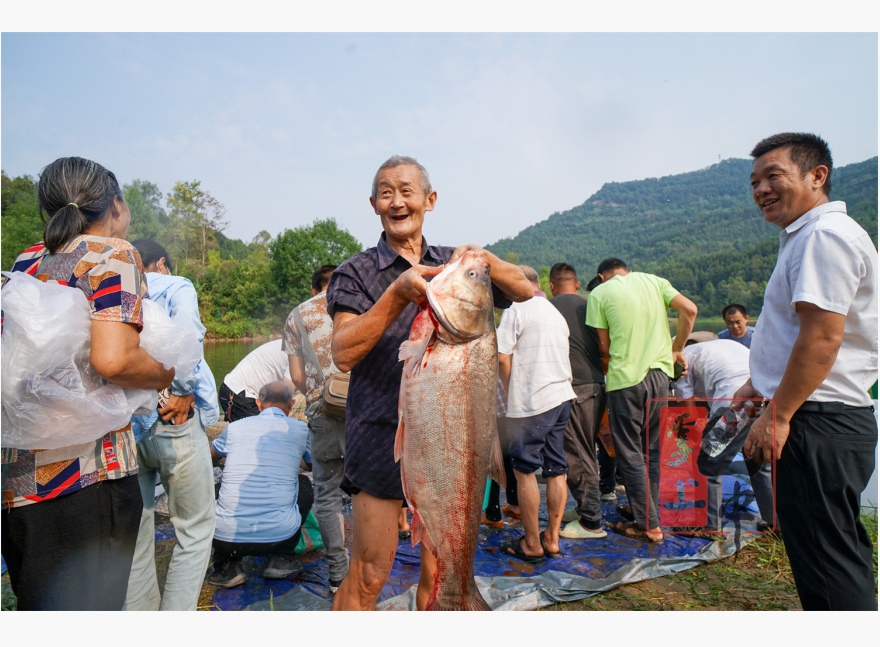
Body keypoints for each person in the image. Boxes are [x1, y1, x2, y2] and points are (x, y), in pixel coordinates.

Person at [326, 155, 533, 610]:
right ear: (374, 205)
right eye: (386, 192)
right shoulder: (355, 272)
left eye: (407, 191)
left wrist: (483, 261)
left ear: (429, 200)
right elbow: (342, 352)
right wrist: (396, 293)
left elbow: (524, 288)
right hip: (379, 434)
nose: (397, 201)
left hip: (449, 442)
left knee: (440, 572)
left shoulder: (450, 265)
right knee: (369, 573)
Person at [0, 156, 174, 610]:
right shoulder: (115, 253)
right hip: (86, 478)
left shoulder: (27, 260)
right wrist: (164, 373)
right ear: (115, 205)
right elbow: (113, 359)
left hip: (19, 482)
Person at [735, 133, 877, 611]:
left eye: (773, 176)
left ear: (817, 176)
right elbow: (801, 332)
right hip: (819, 413)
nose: (761, 189)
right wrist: (759, 382)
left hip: (818, 419)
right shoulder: (807, 235)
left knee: (827, 564)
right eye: (754, 181)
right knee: (829, 552)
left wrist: (778, 415)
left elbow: (822, 339)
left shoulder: (823, 235)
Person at [124, 240, 218, 611]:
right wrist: (181, 390)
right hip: (170, 417)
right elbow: (188, 337)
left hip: (126, 427)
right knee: (194, 531)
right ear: (160, 262)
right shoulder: (175, 284)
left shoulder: (111, 285)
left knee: (136, 536)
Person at [587, 258, 698, 543]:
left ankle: (647, 524)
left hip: (625, 380)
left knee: (629, 453)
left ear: (602, 276)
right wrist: (677, 349)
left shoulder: (599, 293)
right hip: (660, 379)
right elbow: (690, 309)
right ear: (629, 271)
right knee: (652, 450)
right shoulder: (654, 280)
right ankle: (649, 514)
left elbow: (604, 347)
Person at [496, 265, 577, 563]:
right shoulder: (554, 312)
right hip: (561, 396)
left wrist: (509, 392)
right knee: (557, 469)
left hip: (531, 402)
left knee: (525, 471)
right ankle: (552, 539)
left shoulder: (518, 308)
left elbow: (503, 357)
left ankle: (531, 543)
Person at [282, 263, 349, 593]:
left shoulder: (296, 316)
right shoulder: (360, 301)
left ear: (314, 289)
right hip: (362, 411)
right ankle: (369, 570)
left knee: (326, 493)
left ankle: (338, 574)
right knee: (370, 492)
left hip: (322, 411)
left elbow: (296, 376)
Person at [208, 381, 314, 588]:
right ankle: (282, 558)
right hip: (279, 537)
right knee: (303, 484)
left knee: (219, 489)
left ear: (258, 403)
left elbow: (209, 457)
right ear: (291, 404)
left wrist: (224, 460)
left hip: (225, 539)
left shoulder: (235, 428)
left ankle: (226, 567)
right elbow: (311, 466)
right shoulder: (301, 430)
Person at [674, 333, 774, 538]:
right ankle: (776, 524)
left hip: (734, 405)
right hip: (764, 400)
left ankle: (708, 525)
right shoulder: (724, 345)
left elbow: (688, 407)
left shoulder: (682, 358)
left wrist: (695, 438)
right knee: (759, 465)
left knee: (707, 464)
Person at [547, 262, 608, 540]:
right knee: (587, 448)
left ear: (551, 285)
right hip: (597, 384)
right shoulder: (591, 304)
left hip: (574, 387)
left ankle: (591, 522)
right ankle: (586, 507)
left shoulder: (548, 307)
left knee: (578, 453)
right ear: (578, 283)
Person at [218, 338, 294, 422]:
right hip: (239, 392)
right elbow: (286, 388)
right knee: (259, 432)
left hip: (238, 391)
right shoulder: (301, 352)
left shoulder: (297, 344)